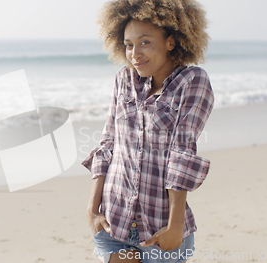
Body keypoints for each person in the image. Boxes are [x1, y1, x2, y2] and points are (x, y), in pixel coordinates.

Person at [81, 0, 214, 262]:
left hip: (161, 226)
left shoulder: (193, 81)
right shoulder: (124, 79)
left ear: (171, 42)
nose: (134, 54)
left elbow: (182, 152)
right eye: (128, 45)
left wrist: (175, 225)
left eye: (144, 42)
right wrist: (92, 208)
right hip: (113, 221)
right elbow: (109, 142)